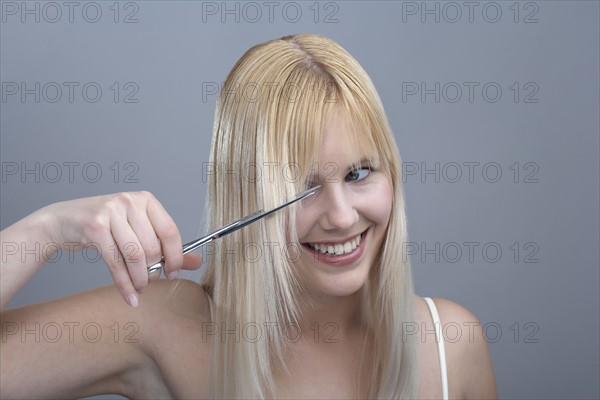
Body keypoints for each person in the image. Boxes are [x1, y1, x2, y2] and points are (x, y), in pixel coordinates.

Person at [0, 34, 496, 399]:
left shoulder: (452, 344)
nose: (342, 217)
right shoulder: (167, 324)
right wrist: (45, 229)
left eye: (360, 172)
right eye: (301, 188)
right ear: (243, 199)